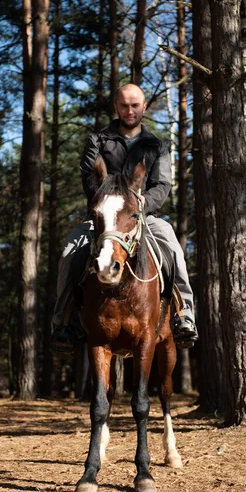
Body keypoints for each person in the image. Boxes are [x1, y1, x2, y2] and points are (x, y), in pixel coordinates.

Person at [52, 83, 198, 351]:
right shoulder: (98, 141)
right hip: (104, 218)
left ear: (143, 107)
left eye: (134, 105)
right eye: (123, 106)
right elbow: (89, 178)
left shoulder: (157, 145)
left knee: (174, 248)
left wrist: (143, 202)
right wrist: (105, 200)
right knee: (69, 250)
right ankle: (63, 321)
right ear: (116, 108)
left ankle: (184, 316)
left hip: (143, 216)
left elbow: (163, 185)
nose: (129, 111)